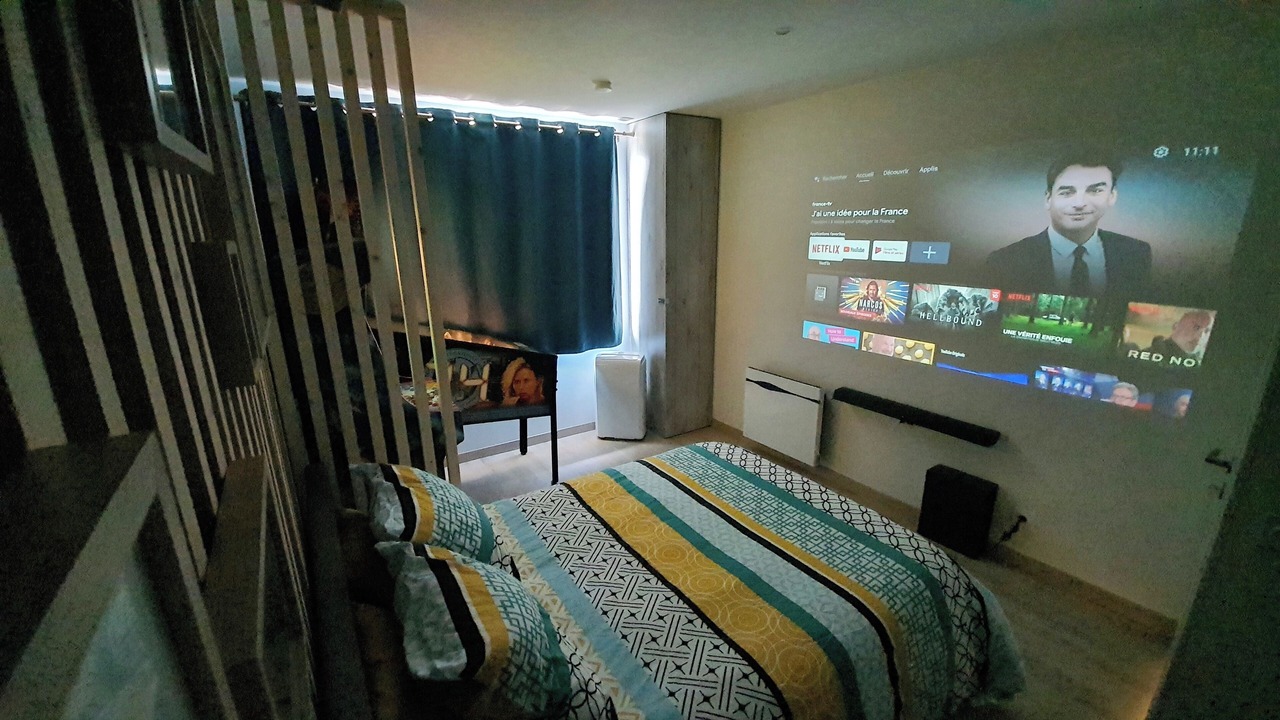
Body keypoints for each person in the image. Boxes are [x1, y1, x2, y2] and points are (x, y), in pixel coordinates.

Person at [986, 152, 1151, 297]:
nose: (1079, 203)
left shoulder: (1136, 253)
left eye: (1095, 190)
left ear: (1112, 196)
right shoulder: (1005, 261)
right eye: (1067, 192)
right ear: (1048, 199)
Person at [1144, 309, 1213, 360]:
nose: (1201, 336)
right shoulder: (1149, 355)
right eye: (1196, 327)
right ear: (1176, 326)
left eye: (1207, 331)